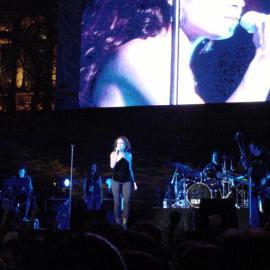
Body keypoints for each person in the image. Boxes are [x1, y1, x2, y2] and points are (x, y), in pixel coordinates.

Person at [80, 0, 270, 107]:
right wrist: (264, 60)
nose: (239, 2)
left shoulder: (172, 60)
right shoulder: (144, 55)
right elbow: (208, 137)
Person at [110, 136, 137, 227]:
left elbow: (130, 169)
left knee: (126, 202)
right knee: (117, 201)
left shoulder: (129, 155)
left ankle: (125, 221)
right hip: (116, 180)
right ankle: (118, 220)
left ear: (125, 145)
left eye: (121, 143)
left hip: (127, 180)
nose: (119, 145)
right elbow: (112, 166)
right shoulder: (113, 154)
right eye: (118, 143)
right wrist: (117, 154)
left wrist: (134, 182)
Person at [247, 142, 270, 227]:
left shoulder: (266, 155)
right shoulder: (250, 158)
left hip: (265, 186)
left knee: (265, 209)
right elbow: (249, 171)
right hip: (253, 186)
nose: (249, 147)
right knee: (253, 210)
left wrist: (265, 179)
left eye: (250, 145)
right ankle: (255, 229)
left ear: (255, 145)